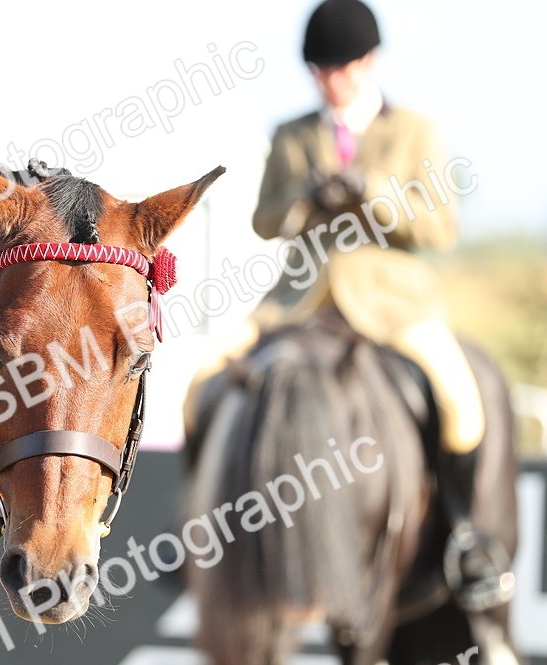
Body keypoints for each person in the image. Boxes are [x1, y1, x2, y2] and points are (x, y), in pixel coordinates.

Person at [195, 0, 493, 592]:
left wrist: (372, 190)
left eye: (343, 68)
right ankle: (195, 530)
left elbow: (442, 228)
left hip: (392, 302)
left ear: (370, 61)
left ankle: (464, 532)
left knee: (462, 402)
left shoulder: (414, 131)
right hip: (298, 299)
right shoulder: (291, 134)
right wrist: (304, 197)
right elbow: (264, 220)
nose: (331, 81)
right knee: (200, 384)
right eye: (321, 70)